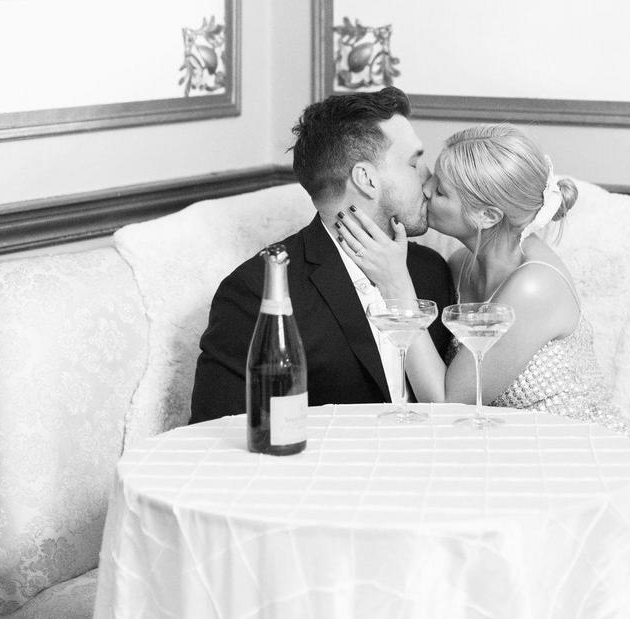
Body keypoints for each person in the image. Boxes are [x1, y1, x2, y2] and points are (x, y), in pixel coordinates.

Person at [335, 123, 630, 554]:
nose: (424, 190)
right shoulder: (460, 263)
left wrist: (396, 285)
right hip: (517, 473)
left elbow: (447, 401)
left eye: (440, 191)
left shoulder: (533, 287)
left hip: (593, 484)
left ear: (487, 216)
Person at [189, 87, 455, 422]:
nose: (429, 181)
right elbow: (216, 430)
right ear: (366, 179)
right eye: (414, 163)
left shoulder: (430, 270)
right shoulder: (257, 293)